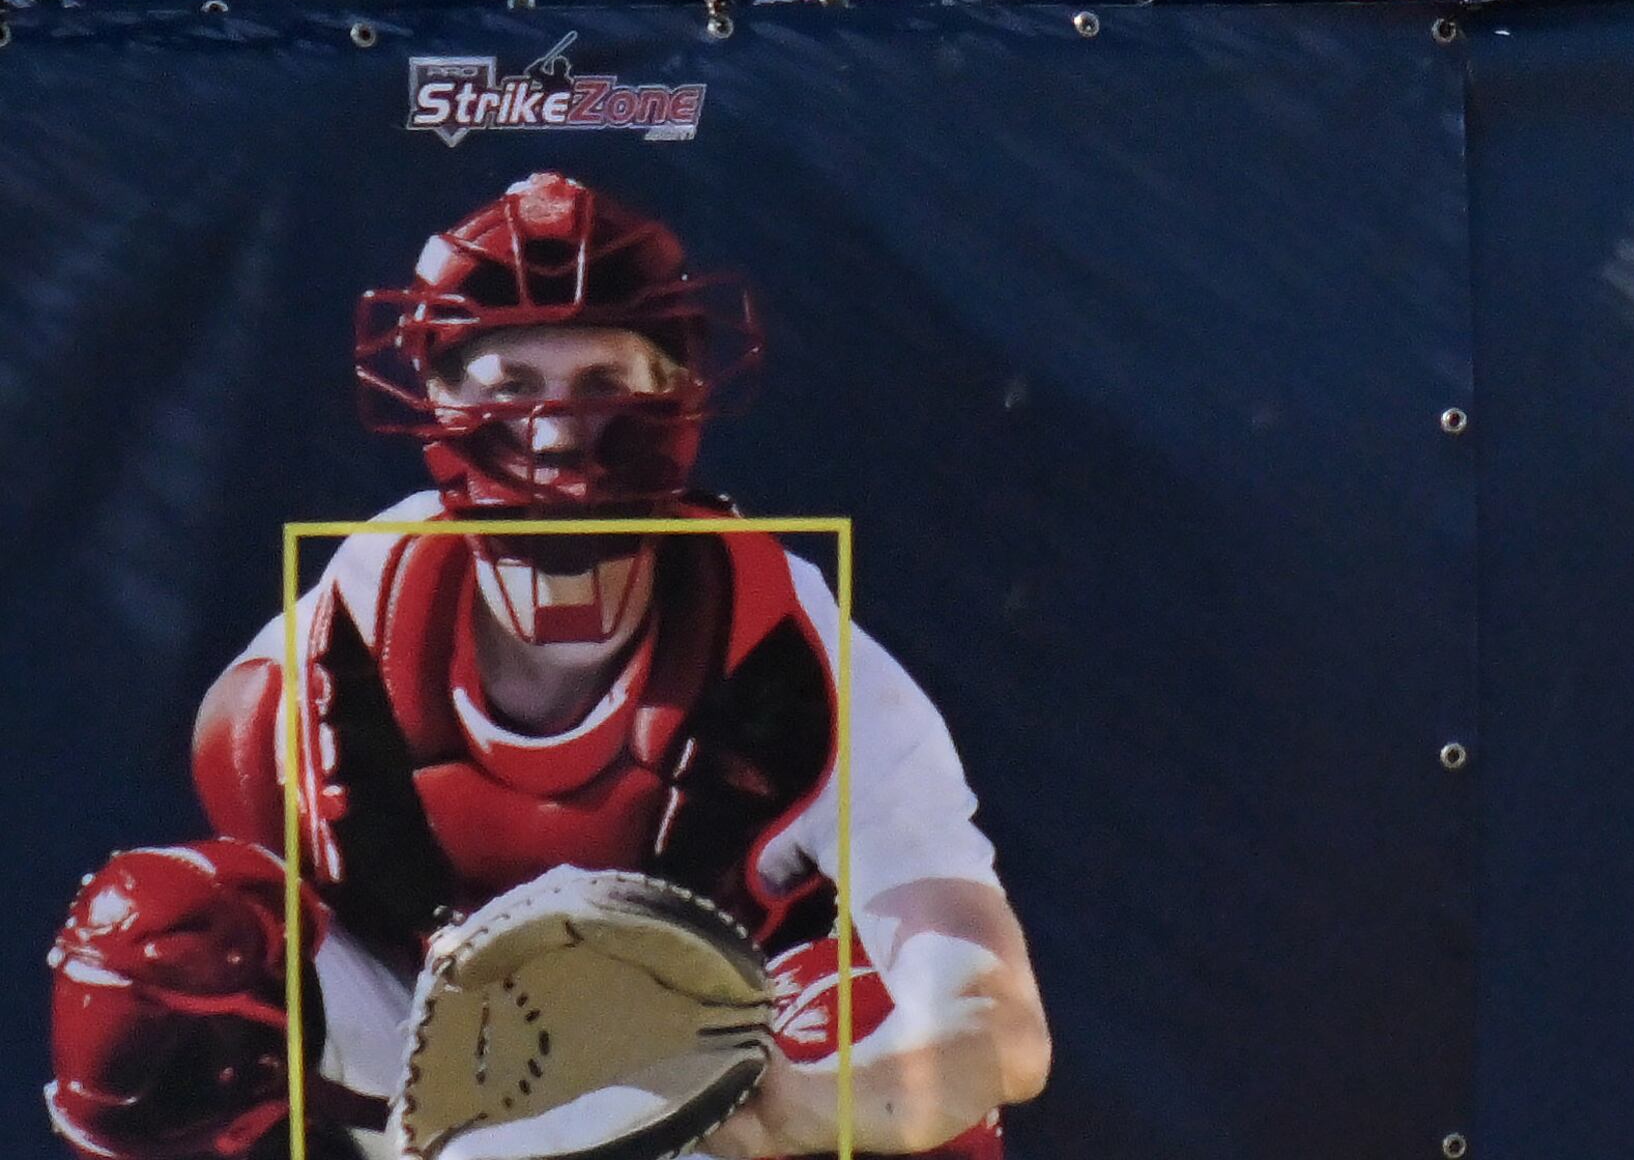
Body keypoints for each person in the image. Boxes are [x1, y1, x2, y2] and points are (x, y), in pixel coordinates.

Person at [45, 172, 1052, 1160]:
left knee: (862, 1018)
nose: (559, 434)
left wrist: (797, 1111)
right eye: (512, 388)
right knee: (162, 953)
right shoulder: (317, 662)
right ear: (437, 402)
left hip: (694, 1100)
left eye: (603, 386)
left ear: (676, 395)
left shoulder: (793, 653)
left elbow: (997, 1021)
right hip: (423, 1095)